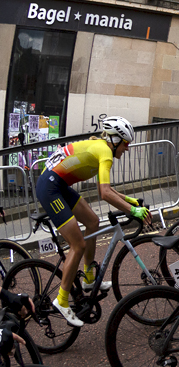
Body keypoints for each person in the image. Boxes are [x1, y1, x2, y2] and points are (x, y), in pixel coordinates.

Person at [35, 116, 148, 327]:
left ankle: (88, 278)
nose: (127, 148)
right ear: (114, 141)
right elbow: (105, 194)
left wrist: (129, 199)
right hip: (50, 188)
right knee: (77, 244)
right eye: (126, 144)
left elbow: (103, 189)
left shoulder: (101, 148)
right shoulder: (105, 153)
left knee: (93, 222)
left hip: (58, 184)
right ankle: (61, 300)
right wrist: (133, 211)